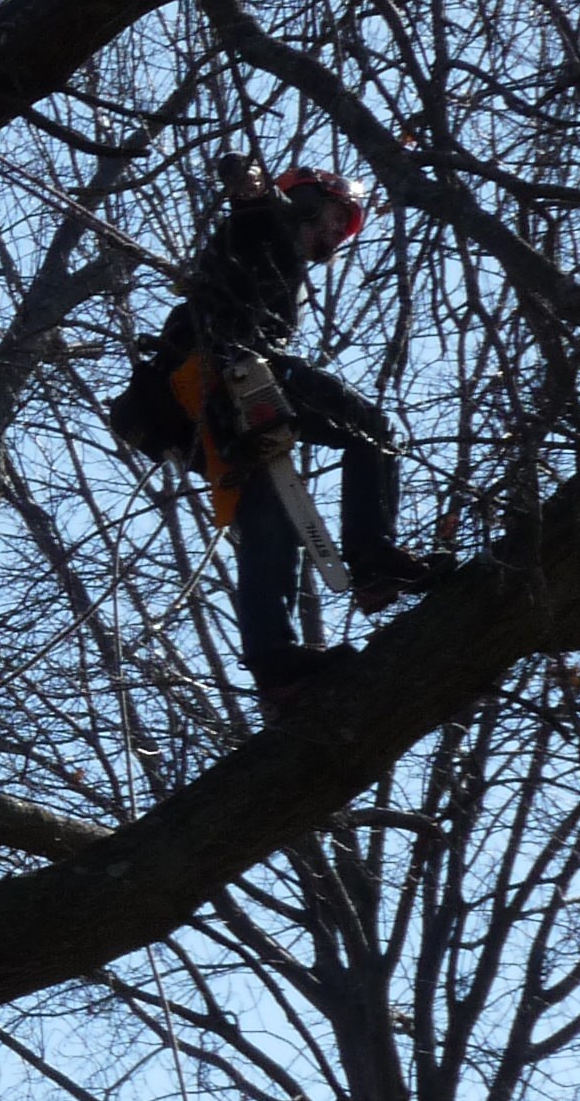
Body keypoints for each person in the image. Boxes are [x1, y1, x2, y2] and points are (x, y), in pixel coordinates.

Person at [113, 158, 448, 709]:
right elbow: (252, 206)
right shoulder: (266, 226)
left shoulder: (279, 266)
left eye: (348, 225)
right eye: (337, 216)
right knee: (373, 430)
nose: (338, 233)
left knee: (267, 513)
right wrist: (250, 186)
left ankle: (276, 667)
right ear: (309, 202)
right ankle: (372, 560)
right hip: (220, 372)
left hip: (179, 408)